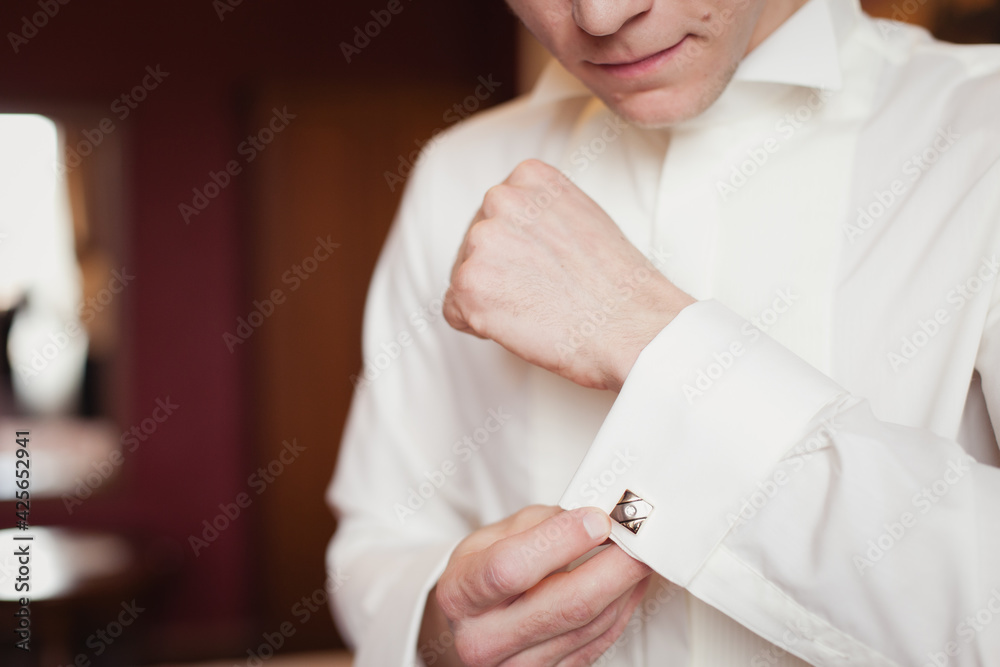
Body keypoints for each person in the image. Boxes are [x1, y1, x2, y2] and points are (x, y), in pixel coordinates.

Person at [326, 0, 1000, 664]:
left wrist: (650, 339)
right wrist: (436, 626)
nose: (601, 16)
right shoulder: (460, 170)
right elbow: (380, 537)